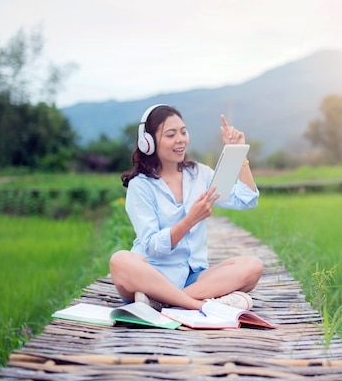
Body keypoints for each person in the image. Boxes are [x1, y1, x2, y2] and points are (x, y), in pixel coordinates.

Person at [109, 104, 263, 312]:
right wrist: (190, 220)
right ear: (149, 142)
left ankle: (163, 302)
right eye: (171, 134)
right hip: (149, 277)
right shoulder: (141, 185)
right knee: (120, 260)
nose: (181, 139)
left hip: (193, 279)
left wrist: (237, 154)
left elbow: (246, 200)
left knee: (252, 266)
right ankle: (199, 305)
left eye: (183, 132)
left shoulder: (200, 174)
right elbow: (153, 246)